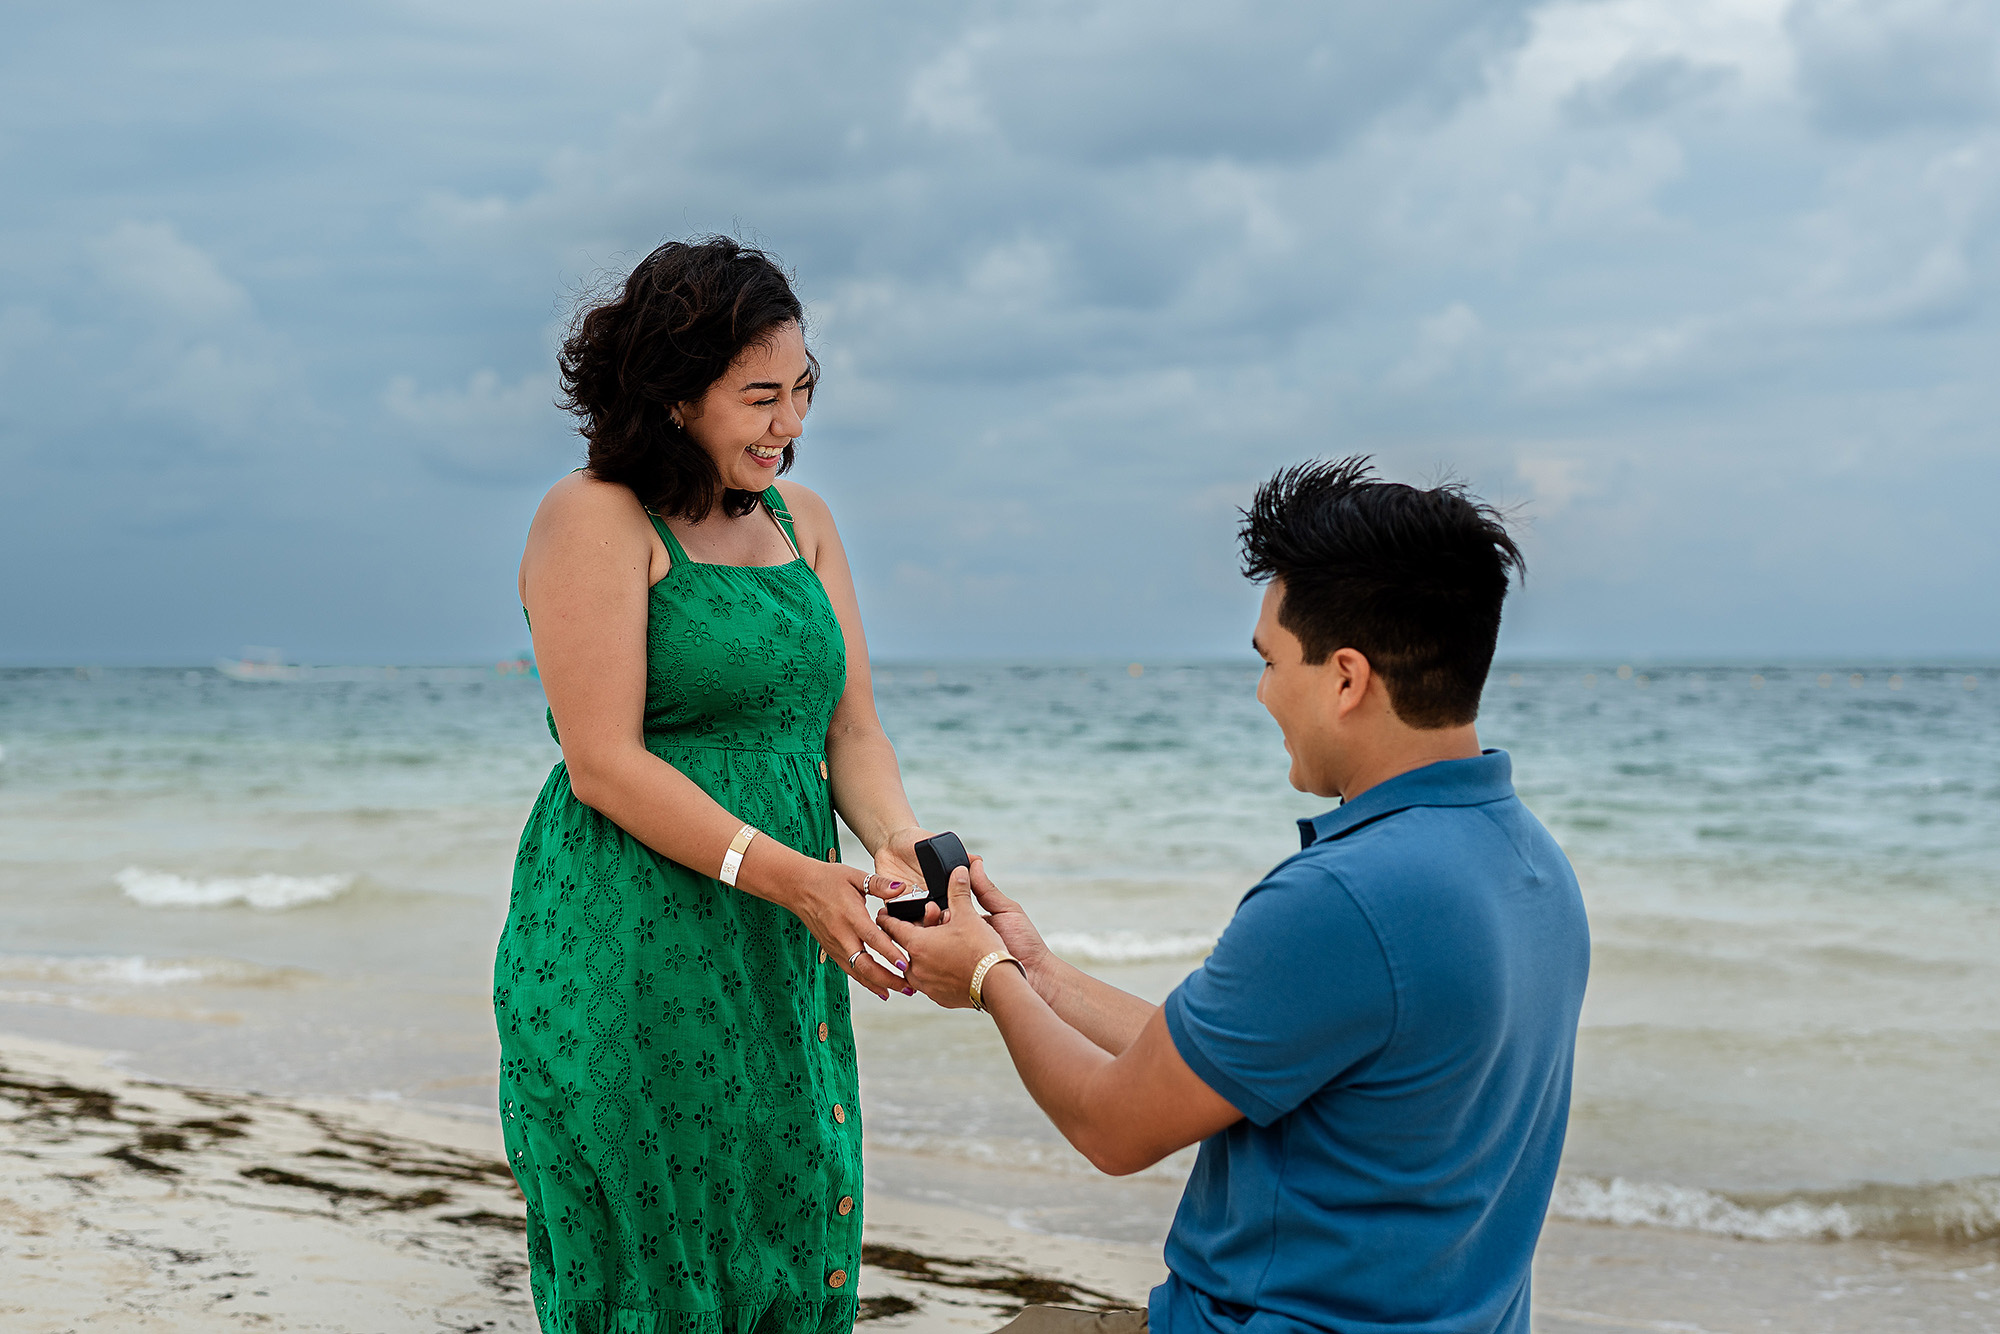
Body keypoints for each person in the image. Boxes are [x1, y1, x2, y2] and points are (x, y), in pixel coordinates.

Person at [885, 459, 1591, 1334]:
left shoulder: (1344, 896)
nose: (1262, 693)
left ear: (1345, 678)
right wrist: (1038, 972)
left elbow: (1113, 1129)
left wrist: (987, 977)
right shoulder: (1533, 865)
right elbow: (1236, 1060)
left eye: (1269, 662)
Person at [496, 236, 931, 1334]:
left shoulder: (803, 520)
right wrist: (787, 872)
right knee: (653, 1247)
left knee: (782, 1203)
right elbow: (603, 761)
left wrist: (898, 846)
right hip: (632, 930)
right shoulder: (592, 516)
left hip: (780, 933)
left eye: (801, 392)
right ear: (675, 394)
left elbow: (850, 730)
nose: (789, 423)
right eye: (759, 397)